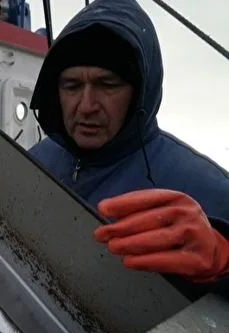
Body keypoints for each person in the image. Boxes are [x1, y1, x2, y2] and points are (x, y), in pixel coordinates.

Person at [27, 0, 229, 299]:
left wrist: (223, 260)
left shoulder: (207, 188)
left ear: (140, 92)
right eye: (71, 86)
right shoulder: (33, 161)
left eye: (107, 84)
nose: (86, 106)